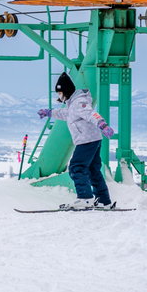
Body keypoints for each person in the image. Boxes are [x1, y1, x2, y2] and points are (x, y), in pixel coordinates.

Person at [38, 72, 116, 210]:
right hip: (92, 139)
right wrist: (49, 112)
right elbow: (65, 114)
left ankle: (85, 198)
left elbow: (92, 114)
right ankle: (104, 201)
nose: (59, 96)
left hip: (87, 140)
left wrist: (102, 124)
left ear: (66, 90)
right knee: (93, 170)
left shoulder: (79, 102)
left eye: (60, 92)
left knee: (76, 167)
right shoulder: (73, 103)